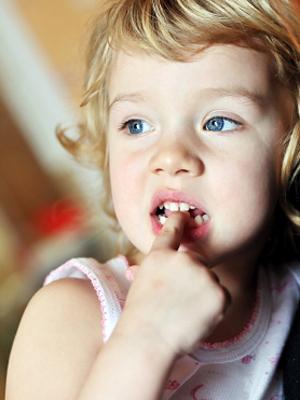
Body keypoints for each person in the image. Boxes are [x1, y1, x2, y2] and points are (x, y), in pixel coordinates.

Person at [5, 0, 300, 399]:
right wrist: (149, 336)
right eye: (136, 124)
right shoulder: (73, 312)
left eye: (218, 122)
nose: (170, 158)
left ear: (289, 150)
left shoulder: (290, 291)